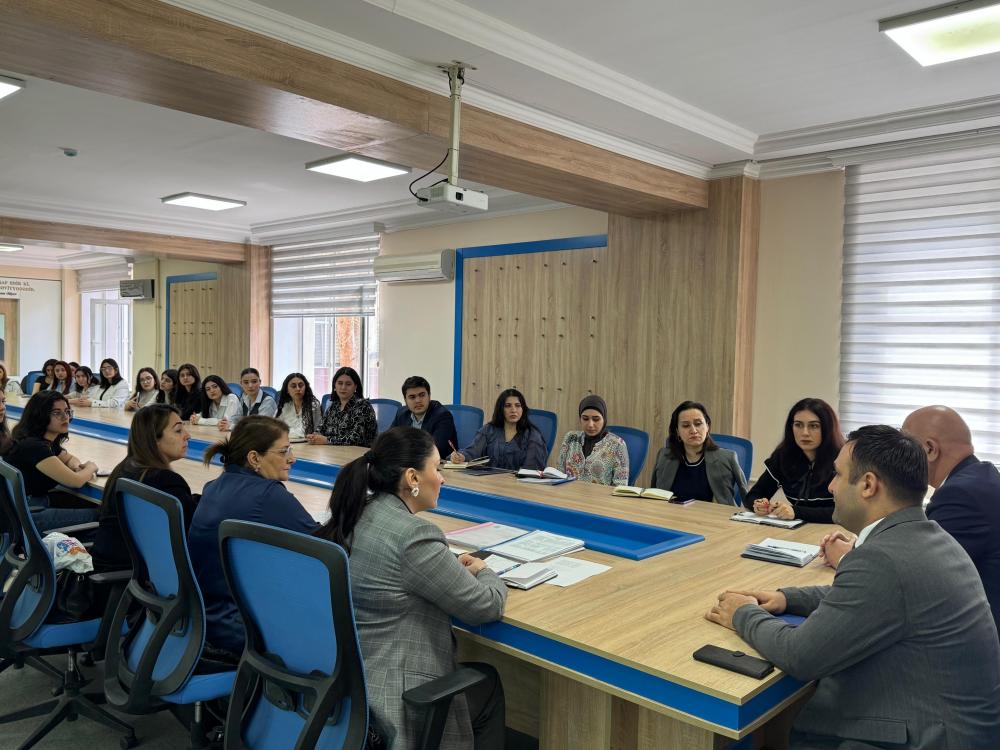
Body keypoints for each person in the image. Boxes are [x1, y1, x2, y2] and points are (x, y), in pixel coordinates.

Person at [706, 425, 1000, 750]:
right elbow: (868, 598)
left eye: (837, 474)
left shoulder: (883, 558)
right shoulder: (928, 536)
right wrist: (786, 598)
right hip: (950, 725)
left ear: (868, 485)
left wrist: (742, 613)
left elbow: (800, 655)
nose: (830, 486)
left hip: (926, 738)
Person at [317, 427, 506, 749]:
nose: (442, 478)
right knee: (488, 683)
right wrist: (485, 571)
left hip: (351, 685)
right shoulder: (415, 535)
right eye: (437, 468)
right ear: (412, 478)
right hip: (396, 699)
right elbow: (486, 606)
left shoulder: (357, 512)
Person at [188, 416, 318, 657]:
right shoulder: (268, 494)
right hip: (240, 629)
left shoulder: (214, 486)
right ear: (254, 458)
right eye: (284, 451)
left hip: (206, 620)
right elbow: (326, 546)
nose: (292, 458)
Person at [894, 406, 999, 629]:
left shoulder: (960, 494)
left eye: (905, 448)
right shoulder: (980, 477)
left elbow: (916, 575)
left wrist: (846, 558)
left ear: (930, 449)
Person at [91, 404, 198, 572]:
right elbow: (192, 534)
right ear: (154, 439)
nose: (187, 435)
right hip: (140, 574)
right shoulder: (166, 482)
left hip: (110, 567)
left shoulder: (124, 468)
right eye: (178, 431)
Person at [3, 391, 100, 531]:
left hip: (30, 504)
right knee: (102, 514)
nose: (65, 417)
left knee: (92, 504)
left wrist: (77, 467)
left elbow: (69, 458)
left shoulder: (44, 441)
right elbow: (75, 481)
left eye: (67, 411)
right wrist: (90, 467)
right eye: (56, 413)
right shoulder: (34, 446)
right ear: (40, 416)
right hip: (28, 514)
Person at [743, 397, 843, 523]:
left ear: (827, 428)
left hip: (836, 531)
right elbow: (753, 496)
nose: (805, 433)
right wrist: (759, 504)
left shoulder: (844, 459)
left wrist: (796, 512)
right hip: (798, 529)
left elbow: (845, 513)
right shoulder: (783, 456)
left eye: (814, 426)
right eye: (798, 425)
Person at [650, 400, 747, 504]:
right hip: (671, 513)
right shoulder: (664, 456)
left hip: (712, 513)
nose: (693, 430)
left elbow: (748, 499)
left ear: (707, 426)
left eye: (698, 424)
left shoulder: (727, 458)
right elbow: (653, 495)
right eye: (686, 425)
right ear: (677, 431)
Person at [449, 388, 547, 471]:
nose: (513, 410)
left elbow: (532, 470)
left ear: (523, 409)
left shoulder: (533, 436)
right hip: (491, 482)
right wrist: (461, 456)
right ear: (501, 409)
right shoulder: (489, 430)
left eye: (518, 406)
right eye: (508, 406)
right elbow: (473, 451)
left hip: (519, 484)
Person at [558, 395, 629, 485]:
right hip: (568, 493)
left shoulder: (617, 445)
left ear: (604, 419)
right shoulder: (570, 438)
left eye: (596, 419)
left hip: (601, 494)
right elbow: (558, 474)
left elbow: (620, 485)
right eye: (585, 419)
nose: (590, 424)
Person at [390, 376, 456, 459]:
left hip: (438, 464)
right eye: (412, 397)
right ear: (405, 400)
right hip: (408, 461)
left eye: (422, 395)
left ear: (429, 396)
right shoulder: (402, 413)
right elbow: (389, 440)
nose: (418, 400)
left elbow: (433, 450)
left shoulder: (442, 416)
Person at [309, 366, 377, 447]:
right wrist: (314, 436)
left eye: (348, 384)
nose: (343, 387)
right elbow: (321, 429)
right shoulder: (333, 406)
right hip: (333, 451)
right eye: (340, 383)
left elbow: (356, 439)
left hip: (358, 452)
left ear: (355, 386)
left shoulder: (363, 406)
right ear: (335, 386)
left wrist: (327, 440)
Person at [219, 367, 276, 431]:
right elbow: (237, 418)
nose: (250, 386)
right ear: (241, 384)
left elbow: (260, 426)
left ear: (260, 382)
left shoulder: (268, 401)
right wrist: (225, 423)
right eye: (246, 382)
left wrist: (231, 426)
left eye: (254, 382)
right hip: (248, 435)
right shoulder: (244, 398)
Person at [274, 372, 322, 440]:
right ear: (287, 390)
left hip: (307, 442)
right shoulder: (285, 405)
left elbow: (304, 432)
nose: (298, 389)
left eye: (301, 385)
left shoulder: (313, 405)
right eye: (293, 386)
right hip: (286, 441)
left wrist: (282, 433)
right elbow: (274, 427)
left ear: (305, 388)